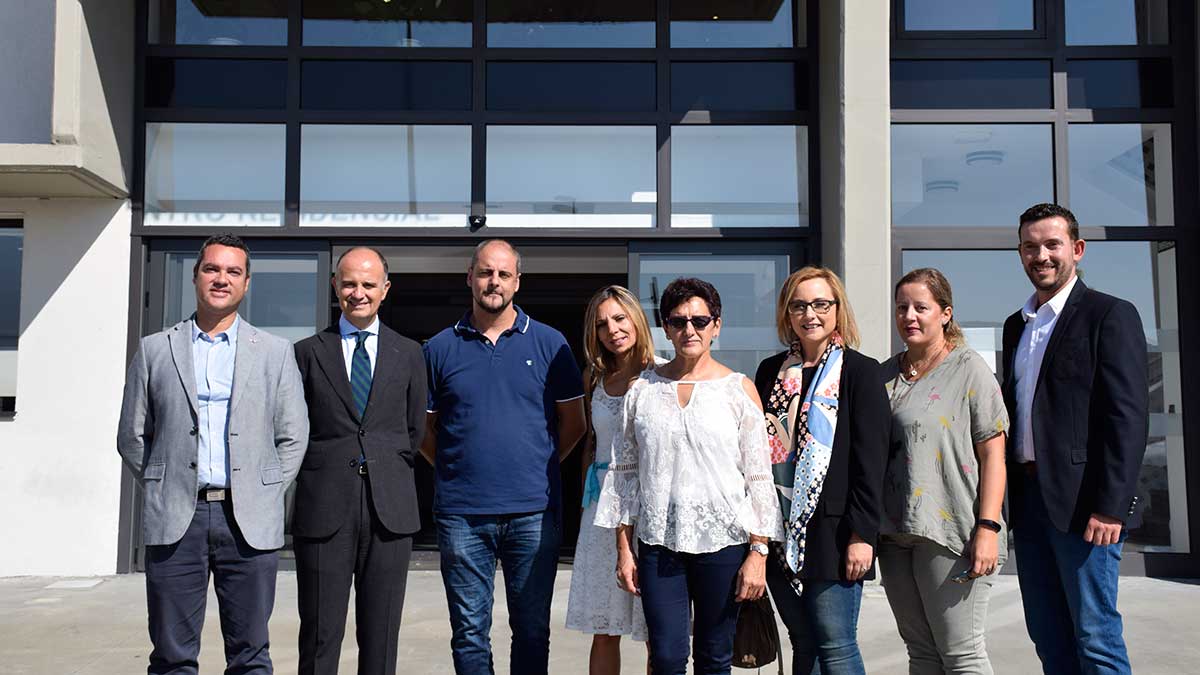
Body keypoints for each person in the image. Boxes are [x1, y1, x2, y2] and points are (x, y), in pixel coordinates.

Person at [116, 233, 309, 674]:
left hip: (248, 522)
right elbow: (132, 435)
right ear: (195, 276)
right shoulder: (155, 348)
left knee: (250, 656)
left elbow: (293, 435)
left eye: (233, 271)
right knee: (171, 657)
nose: (222, 279)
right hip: (176, 519)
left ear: (246, 284)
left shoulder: (275, 353)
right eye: (212, 269)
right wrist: (163, 484)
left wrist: (264, 491)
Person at [597, 277, 784, 675]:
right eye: (679, 321)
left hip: (724, 544)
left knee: (714, 659)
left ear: (717, 325)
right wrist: (624, 549)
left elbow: (759, 479)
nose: (689, 330)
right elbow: (624, 474)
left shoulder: (739, 390)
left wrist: (759, 551)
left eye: (700, 321)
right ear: (665, 327)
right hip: (658, 544)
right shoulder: (642, 390)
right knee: (665, 657)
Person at [421, 239, 588, 675]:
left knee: (532, 630)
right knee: (469, 633)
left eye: (503, 274)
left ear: (517, 281)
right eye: (485, 272)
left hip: (533, 513)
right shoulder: (439, 348)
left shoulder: (552, 344)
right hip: (461, 515)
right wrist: (457, 467)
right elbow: (423, 430)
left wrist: (540, 464)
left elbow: (574, 424)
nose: (493, 281)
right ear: (470, 277)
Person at [1002, 203, 1148, 675]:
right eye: (1030, 246)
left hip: (1086, 507)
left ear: (1077, 250)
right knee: (1048, 635)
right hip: (1028, 503)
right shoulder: (1016, 326)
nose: (1040, 255)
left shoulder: (1110, 315)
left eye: (1052, 245)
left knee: (1095, 637)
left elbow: (1127, 416)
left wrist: (1112, 504)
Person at [292, 247, 428, 675]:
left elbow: (413, 431)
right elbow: (298, 429)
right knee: (319, 636)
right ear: (335, 286)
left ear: (385, 290)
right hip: (324, 509)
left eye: (368, 284)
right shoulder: (307, 353)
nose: (358, 293)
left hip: (390, 511)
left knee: (382, 635)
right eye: (349, 283)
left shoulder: (409, 353)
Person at [752, 266, 889, 675]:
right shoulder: (770, 372)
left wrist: (863, 536)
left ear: (836, 309)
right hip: (780, 533)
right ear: (786, 313)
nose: (810, 313)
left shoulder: (861, 371)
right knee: (803, 641)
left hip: (835, 533)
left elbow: (872, 462)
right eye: (799, 305)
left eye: (820, 304)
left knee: (836, 645)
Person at [878, 267, 1009, 674]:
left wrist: (987, 527)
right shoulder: (884, 373)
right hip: (894, 533)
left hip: (952, 532)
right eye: (902, 308)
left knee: (961, 655)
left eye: (921, 307)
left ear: (945, 313)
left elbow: (994, 455)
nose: (909, 316)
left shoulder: (969, 368)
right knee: (921, 653)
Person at [566, 285, 658, 674]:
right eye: (602, 324)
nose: (612, 330)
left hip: (651, 509)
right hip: (602, 511)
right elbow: (590, 441)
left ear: (636, 318)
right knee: (604, 627)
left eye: (619, 318)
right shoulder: (595, 377)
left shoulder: (662, 373)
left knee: (659, 626)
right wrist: (586, 501)